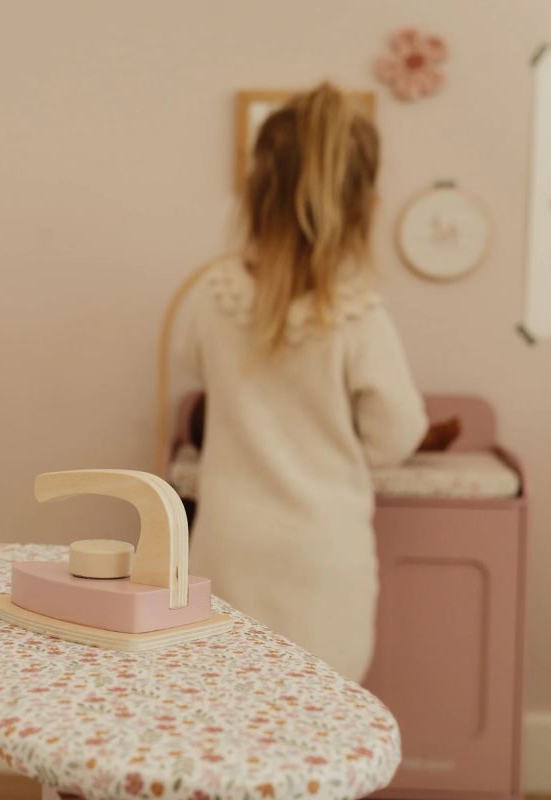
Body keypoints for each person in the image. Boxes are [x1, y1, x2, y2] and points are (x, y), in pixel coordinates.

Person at [181, 81, 428, 681]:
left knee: (220, 705)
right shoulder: (357, 313)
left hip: (226, 547)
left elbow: (194, 366)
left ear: (256, 194)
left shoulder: (214, 293)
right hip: (322, 558)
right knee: (317, 712)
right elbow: (397, 434)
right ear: (361, 205)